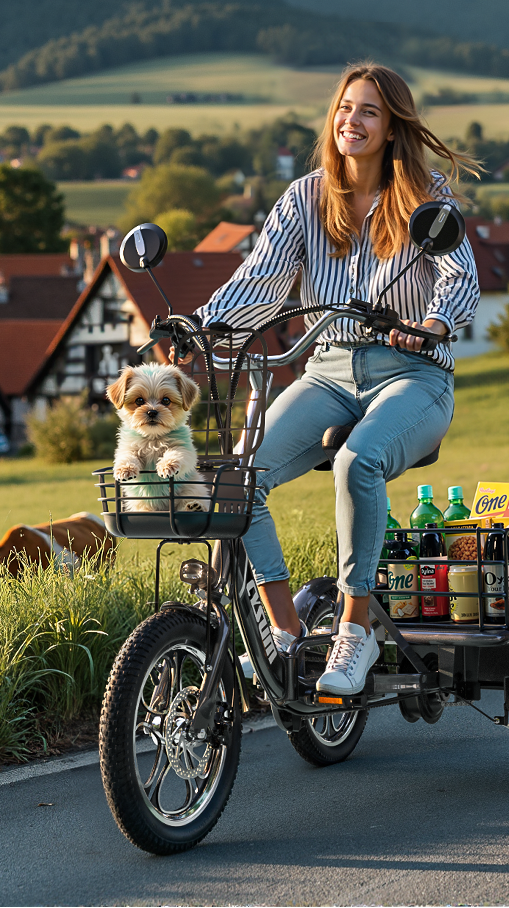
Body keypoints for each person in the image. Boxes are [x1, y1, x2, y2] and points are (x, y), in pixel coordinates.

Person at [196, 63, 480, 695]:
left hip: (414, 374)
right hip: (326, 368)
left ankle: (355, 633)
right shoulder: (305, 197)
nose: (352, 120)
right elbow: (261, 277)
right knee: (239, 478)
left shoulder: (424, 198)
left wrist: (431, 323)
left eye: (369, 111)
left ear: (392, 127)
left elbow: (459, 277)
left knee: (359, 462)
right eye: (346, 108)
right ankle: (287, 631)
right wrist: (203, 323)